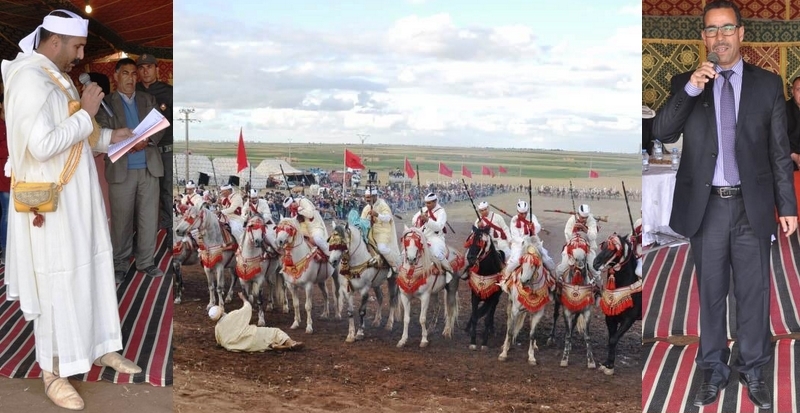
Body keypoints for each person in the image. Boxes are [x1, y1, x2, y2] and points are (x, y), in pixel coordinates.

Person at [652, 1, 797, 409]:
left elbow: (779, 152)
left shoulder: (768, 85)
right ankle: (713, 368)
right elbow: (662, 131)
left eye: (727, 28)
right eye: (712, 30)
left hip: (753, 206)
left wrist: (787, 206)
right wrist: (691, 88)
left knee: (754, 292)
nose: (720, 37)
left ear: (741, 33)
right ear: (704, 37)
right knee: (712, 293)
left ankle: (754, 367)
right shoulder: (687, 83)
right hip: (708, 208)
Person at [1, 10, 142, 410]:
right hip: (51, 206)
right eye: (78, 47)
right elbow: (42, 146)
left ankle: (100, 347)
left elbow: (80, 136)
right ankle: (53, 372)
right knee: (57, 282)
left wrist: (115, 136)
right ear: (55, 41)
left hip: (80, 199)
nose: (81, 56)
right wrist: (86, 113)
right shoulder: (28, 79)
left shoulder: (56, 77)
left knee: (92, 268)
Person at [95, 57, 165, 283]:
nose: (131, 78)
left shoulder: (147, 99)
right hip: (121, 171)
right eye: (125, 73)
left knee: (148, 219)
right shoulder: (105, 103)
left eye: (134, 74)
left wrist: (147, 140)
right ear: (116, 76)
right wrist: (130, 143)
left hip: (148, 169)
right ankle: (119, 264)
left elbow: (159, 125)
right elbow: (102, 130)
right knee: (121, 221)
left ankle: (146, 262)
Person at [135, 54, 172, 230]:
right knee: (144, 194)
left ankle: (170, 233)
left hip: (165, 151)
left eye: (149, 67)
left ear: (157, 69)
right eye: (141, 68)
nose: (145, 71)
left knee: (168, 193)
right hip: (141, 151)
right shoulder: (133, 91)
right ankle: (146, 232)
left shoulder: (169, 92)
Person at [209, 292, 303, 352]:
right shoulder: (232, 315)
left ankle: (275, 345)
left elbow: (219, 343)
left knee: (265, 343)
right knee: (275, 331)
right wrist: (243, 298)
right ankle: (291, 343)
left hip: (240, 347)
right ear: (221, 311)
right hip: (251, 336)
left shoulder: (217, 328)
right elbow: (247, 308)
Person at [502, 201, 555, 285]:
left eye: (525, 213)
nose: (523, 215)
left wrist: (533, 227)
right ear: (517, 211)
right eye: (521, 213)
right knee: (514, 262)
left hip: (533, 242)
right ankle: (506, 281)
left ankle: (553, 279)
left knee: (546, 259)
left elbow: (538, 227)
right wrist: (524, 242)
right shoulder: (514, 220)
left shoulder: (532, 216)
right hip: (519, 245)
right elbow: (515, 236)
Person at [411, 192, 454, 276]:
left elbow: (438, 227)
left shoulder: (441, 212)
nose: (427, 205)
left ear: (435, 202)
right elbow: (413, 220)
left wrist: (427, 220)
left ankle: (449, 270)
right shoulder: (423, 209)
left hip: (435, 238)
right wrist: (420, 218)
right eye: (426, 203)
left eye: (429, 203)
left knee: (436, 253)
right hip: (423, 236)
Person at [360, 188, 401, 272]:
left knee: (382, 248)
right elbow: (362, 221)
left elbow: (388, 218)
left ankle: (394, 264)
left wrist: (377, 215)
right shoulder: (366, 208)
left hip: (382, 231)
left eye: (369, 197)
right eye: (366, 197)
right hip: (370, 232)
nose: (367, 199)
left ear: (375, 196)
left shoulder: (383, 205)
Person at [0, 94, 9, 261]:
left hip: (18, 179)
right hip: (4, 180)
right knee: (7, 214)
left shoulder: (13, 123)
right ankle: (5, 250)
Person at [786, 76, 800, 171]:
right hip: (789, 158)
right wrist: (795, 156)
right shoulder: (783, 109)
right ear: (792, 91)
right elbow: (778, 139)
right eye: (799, 89)